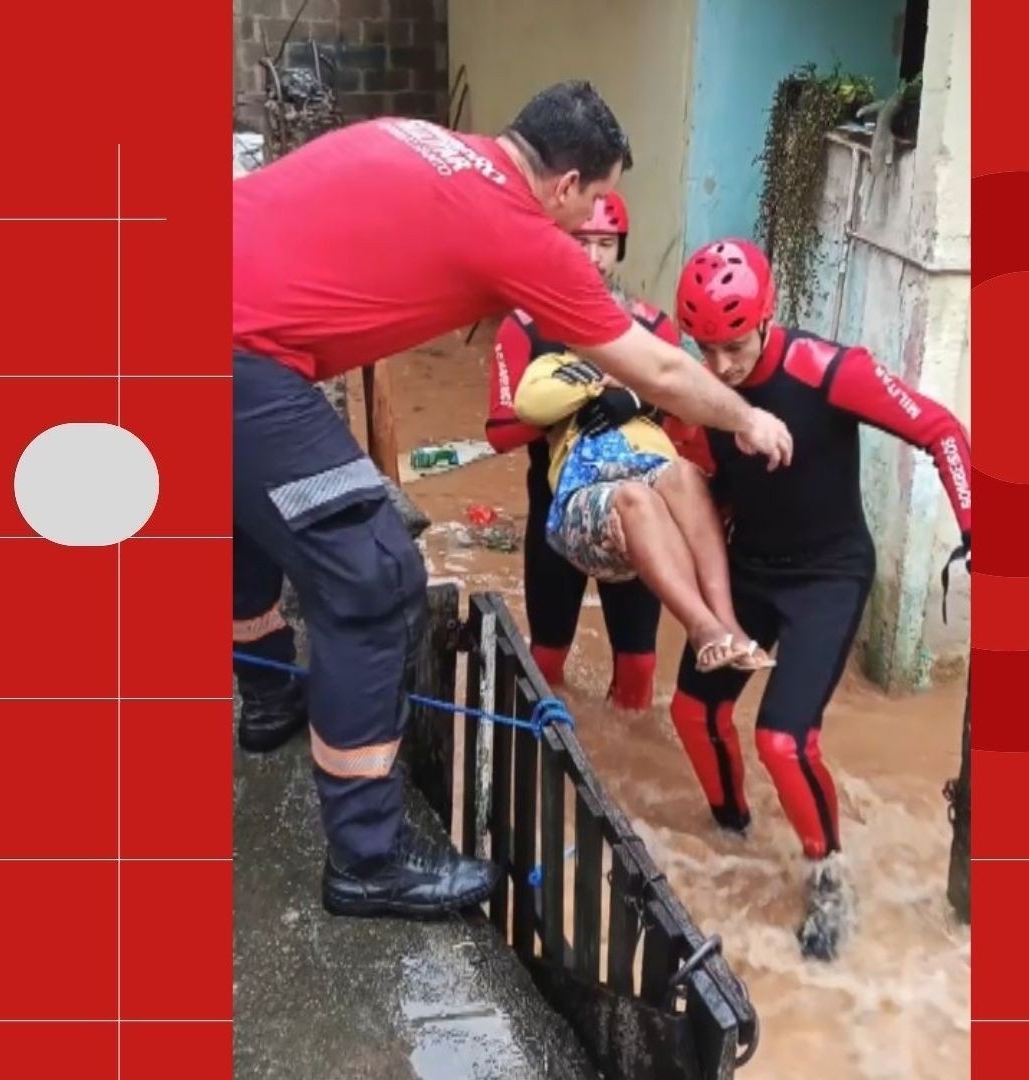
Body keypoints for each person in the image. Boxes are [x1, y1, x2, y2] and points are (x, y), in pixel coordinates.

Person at [232, 83, 796, 921]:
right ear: (565, 185)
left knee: (253, 511)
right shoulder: (518, 231)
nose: (596, 222)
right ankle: (368, 858)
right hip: (235, 362)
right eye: (598, 199)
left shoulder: (414, 135)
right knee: (373, 572)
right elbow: (667, 372)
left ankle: (273, 690)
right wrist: (748, 414)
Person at [653, 238, 973, 960]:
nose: (721, 367)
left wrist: (976, 528)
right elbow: (702, 480)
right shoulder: (700, 392)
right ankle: (730, 834)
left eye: (733, 346)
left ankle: (829, 873)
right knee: (692, 710)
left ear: (766, 319)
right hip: (752, 569)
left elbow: (941, 430)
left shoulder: (831, 371)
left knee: (783, 739)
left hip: (828, 575)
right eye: (705, 349)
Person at [484, 191, 708, 709]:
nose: (592, 257)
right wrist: (567, 407)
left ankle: (622, 773)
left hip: (638, 512)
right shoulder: (522, 327)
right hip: (555, 510)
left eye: (604, 244)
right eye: (579, 242)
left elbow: (689, 428)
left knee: (639, 668)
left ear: (620, 250)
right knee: (545, 662)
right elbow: (499, 432)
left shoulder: (653, 328)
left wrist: (640, 403)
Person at [514, 349, 776, 673]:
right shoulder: (552, 364)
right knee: (637, 498)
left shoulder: (642, 363)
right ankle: (701, 627)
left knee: (686, 474)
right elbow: (531, 404)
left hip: (652, 466)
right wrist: (601, 384)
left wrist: (634, 394)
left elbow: (685, 397)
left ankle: (727, 625)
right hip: (587, 484)